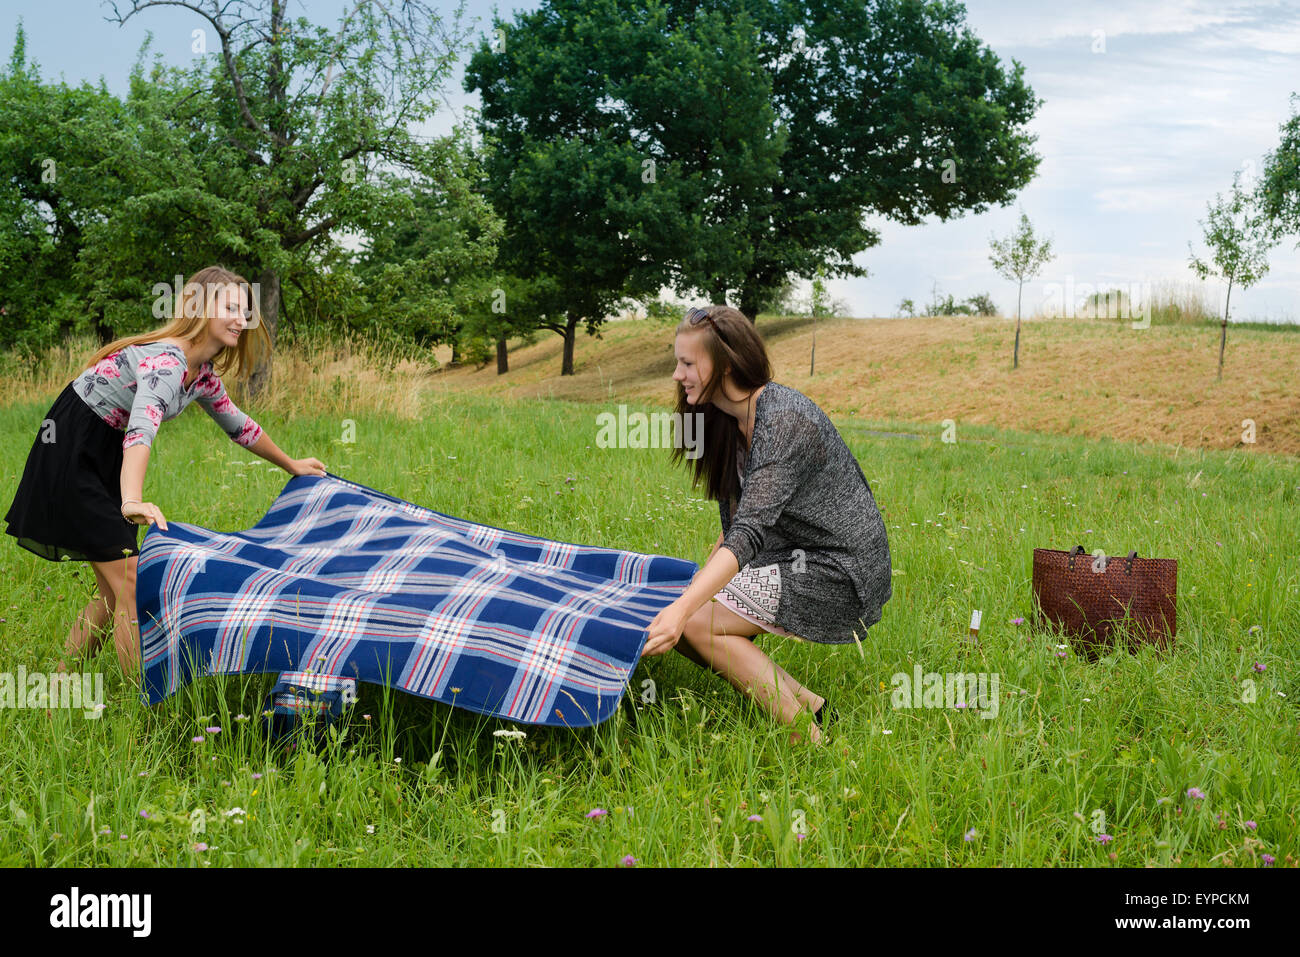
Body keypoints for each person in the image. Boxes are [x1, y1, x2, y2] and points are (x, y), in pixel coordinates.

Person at [4, 265, 326, 677]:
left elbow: (240, 426)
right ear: (199, 308)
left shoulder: (203, 375)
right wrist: (131, 500)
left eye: (245, 311)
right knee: (133, 582)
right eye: (230, 307)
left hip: (103, 454)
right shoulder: (167, 363)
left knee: (112, 589)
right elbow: (140, 430)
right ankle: (145, 708)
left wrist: (293, 465)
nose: (241, 319)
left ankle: (58, 684)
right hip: (70, 451)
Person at [641, 305, 891, 744]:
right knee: (687, 622)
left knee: (693, 622)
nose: (677, 375)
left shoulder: (785, 421)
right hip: (791, 558)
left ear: (726, 363)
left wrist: (686, 608)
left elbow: (748, 534)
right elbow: (736, 521)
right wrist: (694, 592)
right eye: (676, 362)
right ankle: (809, 706)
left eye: (686, 363)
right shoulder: (724, 420)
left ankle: (805, 738)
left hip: (839, 569)